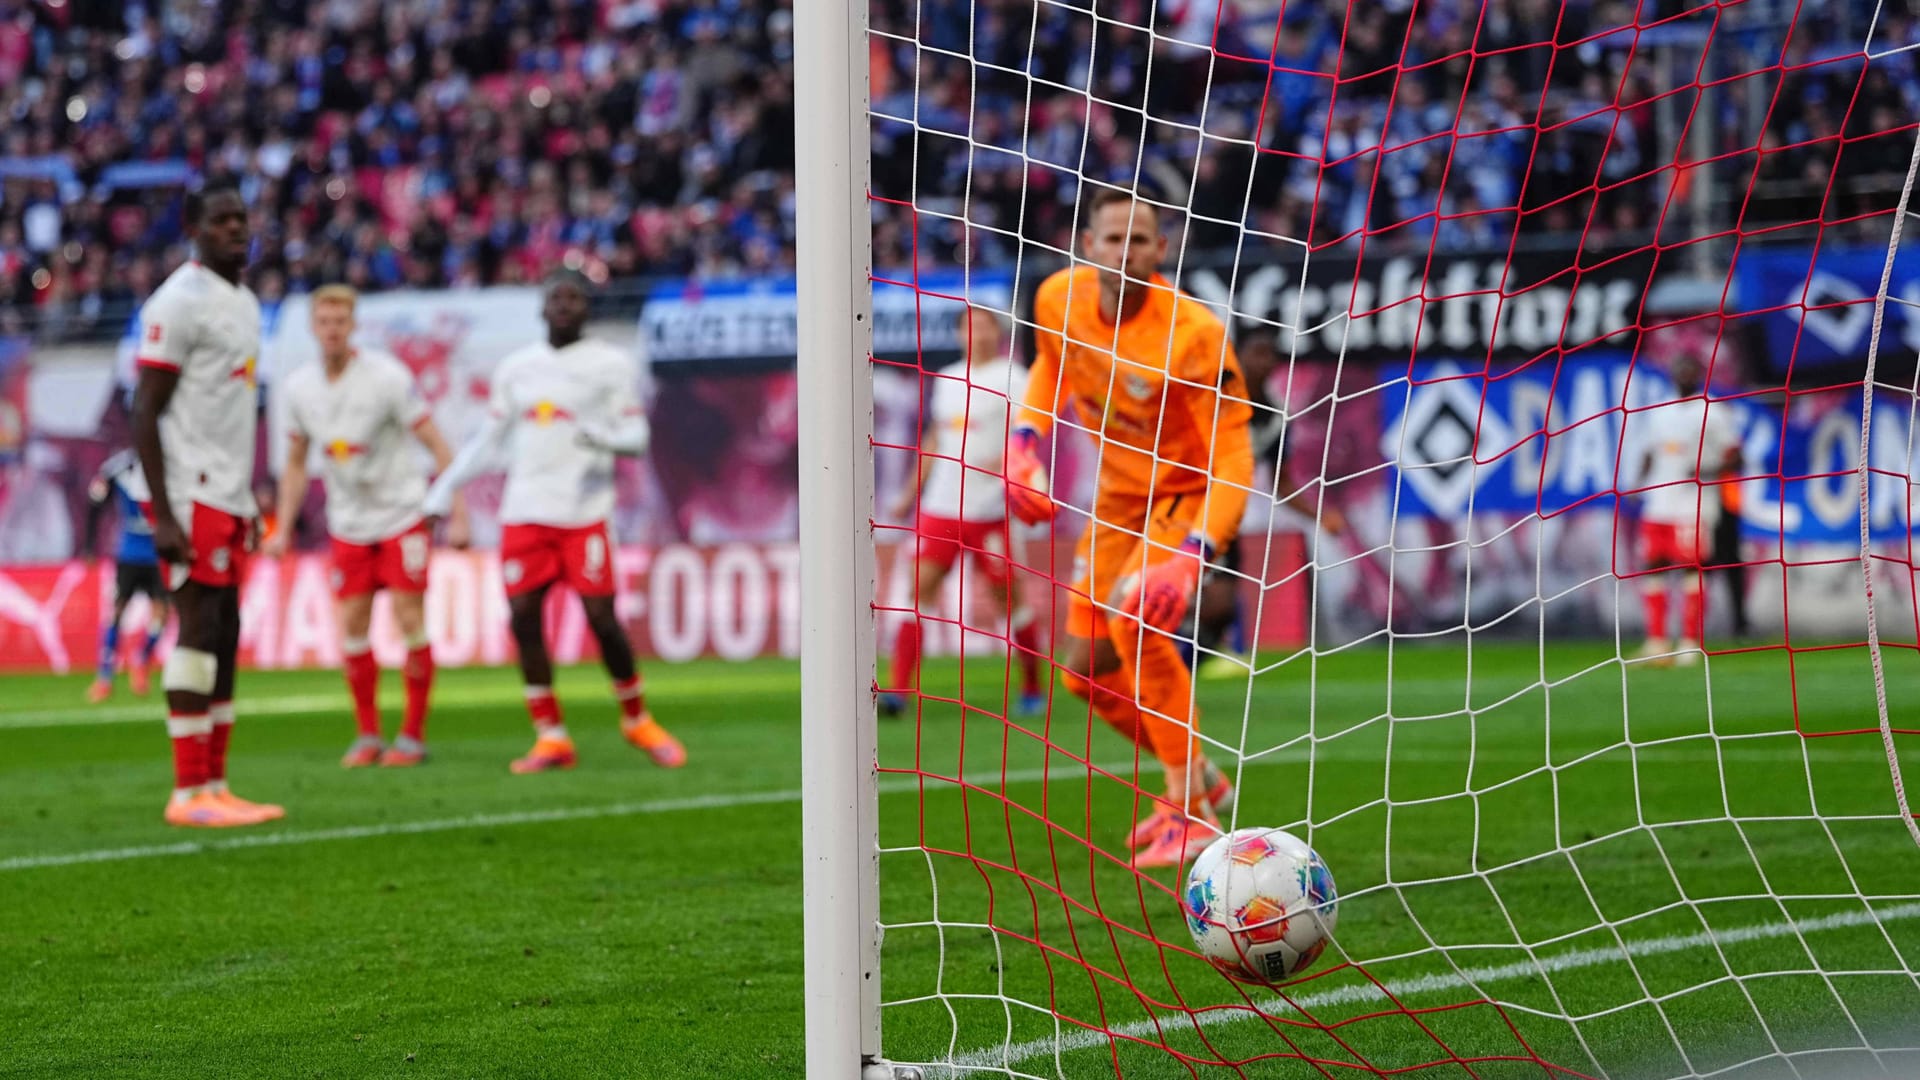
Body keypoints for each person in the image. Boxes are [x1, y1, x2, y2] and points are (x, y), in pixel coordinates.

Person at [1007, 187, 1254, 869]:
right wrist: (1025, 441)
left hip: (1183, 495)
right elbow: (1052, 367)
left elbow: (1234, 456)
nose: (1125, 252)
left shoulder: (1195, 334)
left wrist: (1194, 554)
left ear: (1160, 250)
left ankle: (1189, 812)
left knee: (1136, 615)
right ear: (1089, 246)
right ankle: (1200, 773)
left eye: (1139, 240)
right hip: (1117, 501)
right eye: (1113, 239)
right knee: (1084, 673)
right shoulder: (1057, 298)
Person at [422, 269, 684, 773]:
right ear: (542, 308)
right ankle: (551, 735)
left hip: (584, 514)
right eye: (556, 298)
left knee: (601, 617)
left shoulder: (610, 364)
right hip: (525, 512)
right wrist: (442, 489)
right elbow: (487, 442)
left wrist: (603, 437)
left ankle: (637, 718)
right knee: (522, 618)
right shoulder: (518, 369)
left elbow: (637, 437)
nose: (564, 306)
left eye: (574, 298)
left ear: (587, 308)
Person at [130, 183, 284, 828]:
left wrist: (247, 496)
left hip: (227, 493)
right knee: (196, 626)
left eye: (240, 218)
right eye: (220, 220)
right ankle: (187, 791)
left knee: (225, 628)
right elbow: (145, 409)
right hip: (188, 493)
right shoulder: (178, 302)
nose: (235, 228)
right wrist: (165, 515)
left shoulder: (244, 301)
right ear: (193, 229)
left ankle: (216, 784)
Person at [265, 284, 470, 767]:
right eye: (324, 322)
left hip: (402, 514)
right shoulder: (300, 388)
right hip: (349, 523)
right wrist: (282, 527)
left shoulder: (387, 377)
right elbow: (296, 462)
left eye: (340, 322)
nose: (332, 330)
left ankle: (412, 735)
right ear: (313, 327)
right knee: (353, 624)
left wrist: (457, 514)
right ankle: (367, 735)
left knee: (408, 618)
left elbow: (438, 444)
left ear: (353, 326)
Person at [882, 306, 1046, 718]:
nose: (978, 334)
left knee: (1008, 600)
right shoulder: (947, 379)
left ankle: (1031, 685)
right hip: (940, 506)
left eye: (985, 326)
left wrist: (1009, 465)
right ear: (959, 334)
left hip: (990, 510)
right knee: (918, 592)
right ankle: (898, 691)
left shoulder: (1016, 378)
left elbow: (1030, 436)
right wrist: (909, 493)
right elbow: (936, 438)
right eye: (969, 327)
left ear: (998, 333)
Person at [1629, 353, 1742, 666]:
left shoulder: (1712, 411)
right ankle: (1657, 641)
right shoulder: (1659, 410)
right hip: (1658, 501)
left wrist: (1706, 470)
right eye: (1680, 368)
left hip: (1694, 503)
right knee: (1654, 565)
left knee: (1693, 568)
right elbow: (1650, 452)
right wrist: (1638, 484)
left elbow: (1736, 456)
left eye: (1690, 369)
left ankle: (1690, 642)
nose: (1684, 374)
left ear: (1699, 374)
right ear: (1672, 373)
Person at [81, 447, 170, 702]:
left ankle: (141, 659)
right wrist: (89, 546)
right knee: (117, 611)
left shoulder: (169, 464)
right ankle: (104, 676)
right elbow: (95, 502)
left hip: (159, 552)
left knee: (161, 612)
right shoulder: (117, 468)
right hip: (129, 552)